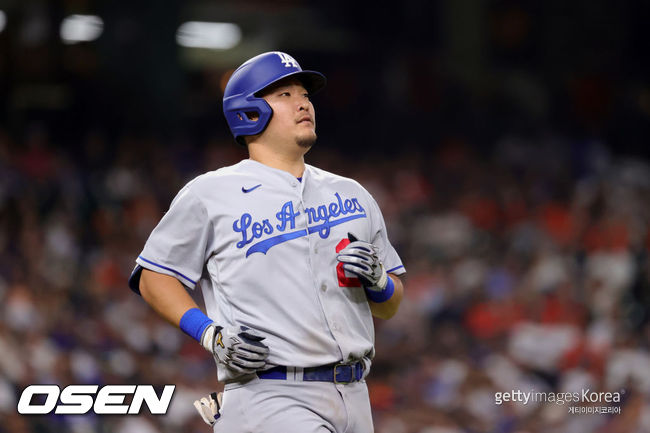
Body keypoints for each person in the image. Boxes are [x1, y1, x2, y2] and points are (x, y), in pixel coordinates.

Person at [128, 51, 406, 432]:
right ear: (249, 111)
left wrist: (381, 283)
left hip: (355, 393)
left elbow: (390, 307)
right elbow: (153, 277)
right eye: (284, 94)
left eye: (304, 94)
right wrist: (210, 334)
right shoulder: (210, 193)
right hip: (271, 395)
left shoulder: (353, 194)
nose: (303, 102)